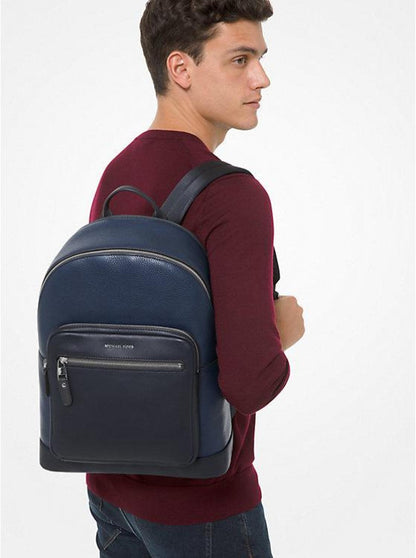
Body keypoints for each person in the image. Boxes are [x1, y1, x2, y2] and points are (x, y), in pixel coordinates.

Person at [87, 1, 305, 556]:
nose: (262, 78)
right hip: (204, 506)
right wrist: (283, 331)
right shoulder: (232, 195)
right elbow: (250, 383)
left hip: (110, 489)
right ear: (181, 68)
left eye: (260, 58)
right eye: (240, 59)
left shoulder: (119, 172)